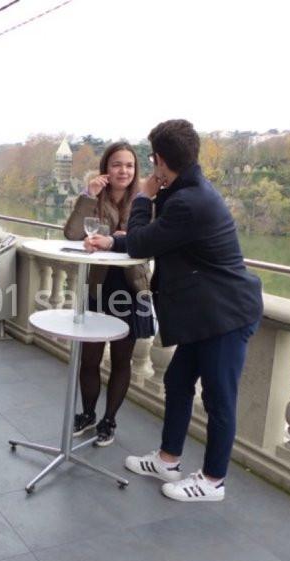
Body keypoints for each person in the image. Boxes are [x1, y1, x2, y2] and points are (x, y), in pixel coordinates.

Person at [86, 119, 263, 501]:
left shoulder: (189, 200)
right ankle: (168, 458)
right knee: (177, 382)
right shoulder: (186, 190)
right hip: (205, 313)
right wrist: (118, 234)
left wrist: (142, 197)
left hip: (225, 315)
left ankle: (213, 481)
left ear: (160, 160)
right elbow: (154, 234)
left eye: (152, 162)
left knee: (218, 399)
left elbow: (141, 242)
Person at [63, 141, 155, 447]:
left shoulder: (144, 199)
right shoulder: (95, 198)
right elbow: (72, 233)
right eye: (117, 164)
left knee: (121, 361)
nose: (123, 171)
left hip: (130, 289)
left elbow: (150, 240)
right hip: (98, 287)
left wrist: (121, 239)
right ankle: (88, 413)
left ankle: (109, 420)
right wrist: (88, 196)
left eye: (129, 165)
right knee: (89, 359)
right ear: (106, 168)